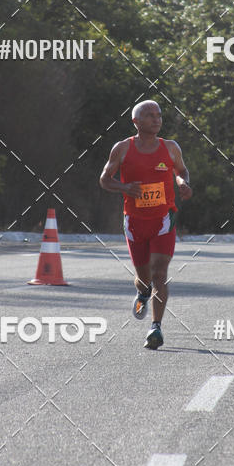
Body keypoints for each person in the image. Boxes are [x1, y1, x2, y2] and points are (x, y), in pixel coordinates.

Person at [99, 100, 192, 349]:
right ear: (136, 122)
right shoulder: (122, 149)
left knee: (160, 272)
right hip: (135, 221)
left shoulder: (170, 148)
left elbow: (182, 170)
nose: (156, 119)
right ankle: (142, 291)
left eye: (159, 115)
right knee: (144, 277)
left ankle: (156, 328)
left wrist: (182, 183)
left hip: (163, 219)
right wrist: (125, 187)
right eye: (150, 116)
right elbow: (105, 179)